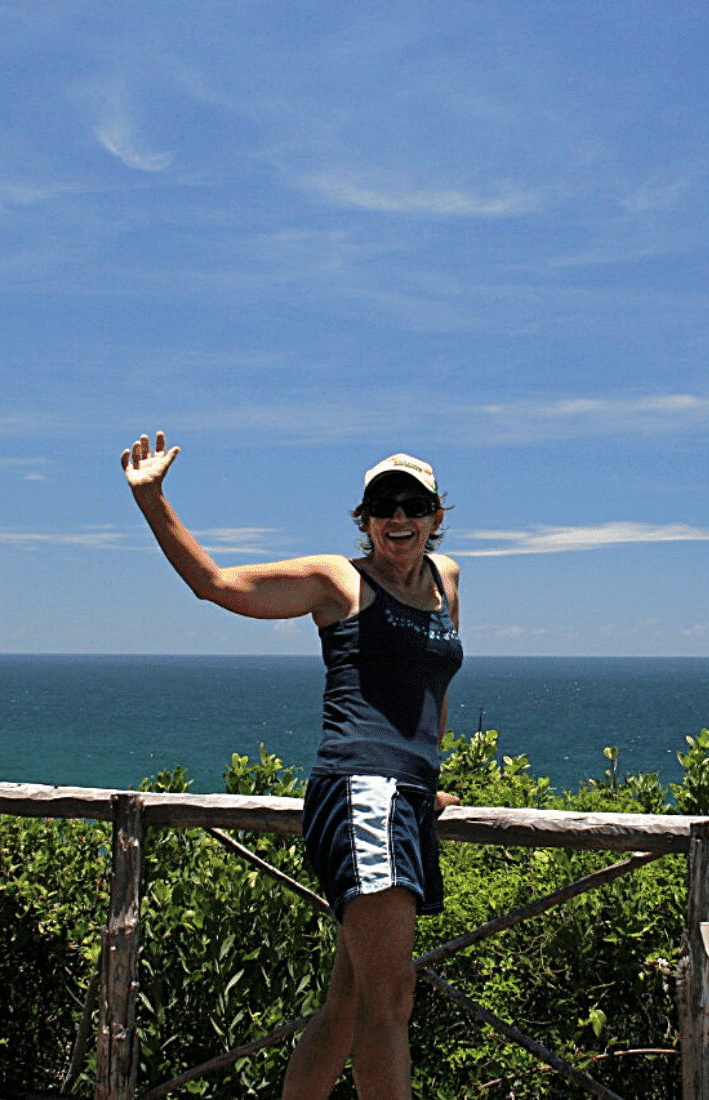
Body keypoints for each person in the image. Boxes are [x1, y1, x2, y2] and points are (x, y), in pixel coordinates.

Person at [121, 433, 462, 1100]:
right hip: (363, 792)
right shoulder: (337, 580)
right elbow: (215, 585)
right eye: (383, 506)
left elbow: (433, 688)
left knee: (350, 1003)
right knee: (390, 1001)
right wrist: (152, 498)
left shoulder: (445, 580)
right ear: (364, 519)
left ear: (436, 516)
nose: (398, 518)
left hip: (405, 798)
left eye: (413, 505)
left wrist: (428, 782)